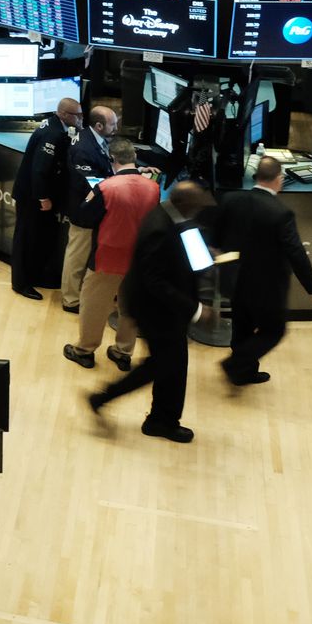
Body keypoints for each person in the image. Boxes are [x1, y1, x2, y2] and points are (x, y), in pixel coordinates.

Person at [87, 181, 215, 442]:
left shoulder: (172, 214)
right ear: (184, 204)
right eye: (197, 206)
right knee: (164, 364)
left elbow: (175, 256)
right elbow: (155, 281)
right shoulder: (159, 228)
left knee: (170, 365)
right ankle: (112, 401)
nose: (200, 210)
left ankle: (159, 419)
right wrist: (195, 310)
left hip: (163, 308)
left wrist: (204, 255)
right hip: (154, 310)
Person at [216, 157, 312, 385]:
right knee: (274, 331)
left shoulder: (231, 199)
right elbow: (296, 253)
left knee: (242, 326)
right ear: (279, 179)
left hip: (234, 278)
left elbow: (216, 237)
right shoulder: (281, 212)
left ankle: (243, 373)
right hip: (266, 286)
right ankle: (236, 365)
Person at [62, 137, 152, 370]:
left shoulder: (106, 188)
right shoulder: (153, 187)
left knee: (93, 305)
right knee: (129, 308)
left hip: (107, 257)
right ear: (134, 157)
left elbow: (85, 216)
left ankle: (85, 350)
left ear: (112, 159)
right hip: (138, 259)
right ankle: (123, 353)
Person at [10, 97, 81, 300]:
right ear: (64, 114)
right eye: (77, 115)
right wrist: (43, 198)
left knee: (39, 238)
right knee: (26, 239)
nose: (80, 118)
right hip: (31, 196)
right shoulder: (52, 134)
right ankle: (20, 283)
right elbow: (39, 170)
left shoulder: (56, 127)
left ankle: (35, 276)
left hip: (36, 194)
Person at [59, 104, 117, 315]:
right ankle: (70, 299)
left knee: (82, 254)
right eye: (113, 124)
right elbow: (94, 184)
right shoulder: (84, 149)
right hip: (83, 211)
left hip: (91, 209)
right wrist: (121, 182)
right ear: (99, 126)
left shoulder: (93, 139)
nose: (116, 128)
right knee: (77, 256)